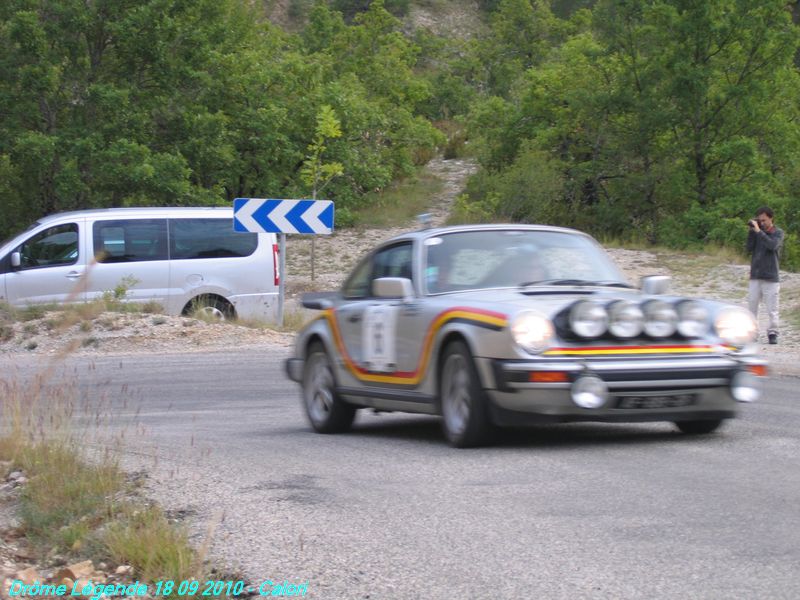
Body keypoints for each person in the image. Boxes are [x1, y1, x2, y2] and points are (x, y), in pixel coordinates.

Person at [746, 206, 784, 344]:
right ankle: (752, 332)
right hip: (755, 275)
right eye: (759, 220)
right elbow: (748, 248)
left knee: (772, 308)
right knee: (752, 306)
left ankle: (773, 332)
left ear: (771, 218)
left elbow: (772, 245)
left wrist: (758, 232)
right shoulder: (757, 232)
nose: (761, 223)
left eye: (764, 220)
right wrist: (752, 231)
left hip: (771, 276)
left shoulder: (778, 232)